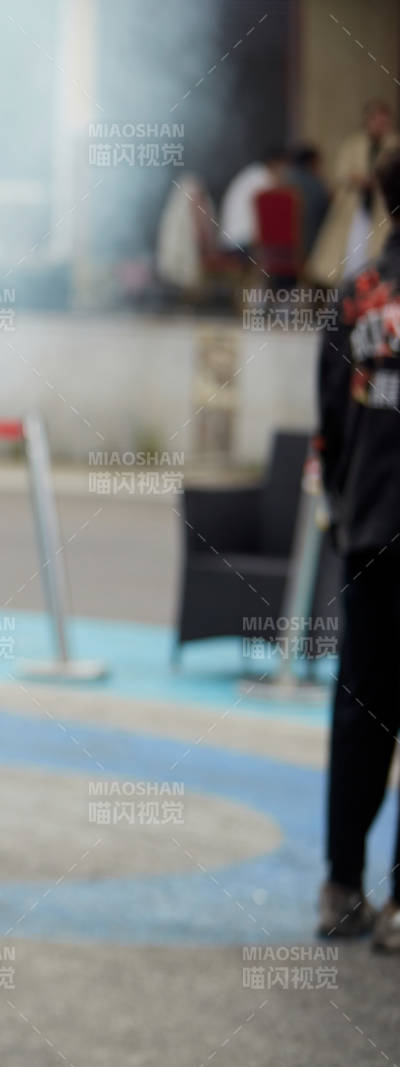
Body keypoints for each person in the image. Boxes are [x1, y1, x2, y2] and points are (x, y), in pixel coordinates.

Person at [313, 144, 400, 952]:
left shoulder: (356, 296)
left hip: (370, 528)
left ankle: (341, 885)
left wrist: (340, 506)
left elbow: (330, 421)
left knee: (360, 712)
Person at [306, 98, 400, 286]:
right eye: (376, 119)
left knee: (379, 250)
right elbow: (341, 173)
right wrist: (361, 179)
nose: (380, 124)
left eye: (384, 120)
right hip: (356, 207)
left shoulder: (394, 143)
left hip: (383, 207)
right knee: (352, 252)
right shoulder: (354, 144)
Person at [219, 146, 288, 253]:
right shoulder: (263, 179)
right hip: (242, 243)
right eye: (284, 167)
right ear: (276, 164)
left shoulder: (253, 174)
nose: (285, 173)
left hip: (233, 241)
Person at [286, 143, 331, 263]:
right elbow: (326, 212)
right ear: (312, 162)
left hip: (280, 249)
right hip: (307, 246)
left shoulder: (283, 180)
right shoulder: (314, 184)